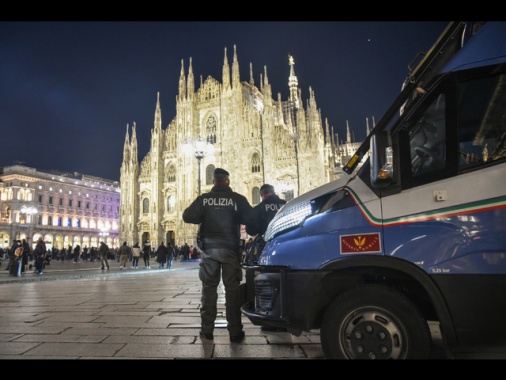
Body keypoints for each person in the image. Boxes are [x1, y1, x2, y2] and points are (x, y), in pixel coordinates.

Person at [183, 167, 257, 343]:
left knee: (209, 290)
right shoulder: (237, 199)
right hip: (230, 250)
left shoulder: (204, 200)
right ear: (228, 181)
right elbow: (252, 219)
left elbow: (187, 216)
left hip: (209, 251)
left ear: (213, 181)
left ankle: (206, 330)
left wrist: (203, 216)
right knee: (232, 292)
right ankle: (235, 332)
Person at [245, 184, 287, 332]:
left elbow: (251, 229)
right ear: (274, 192)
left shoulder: (260, 208)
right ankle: (285, 319)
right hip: (287, 247)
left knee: (267, 281)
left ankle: (269, 319)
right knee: (285, 281)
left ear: (262, 195)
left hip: (267, 248)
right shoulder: (285, 205)